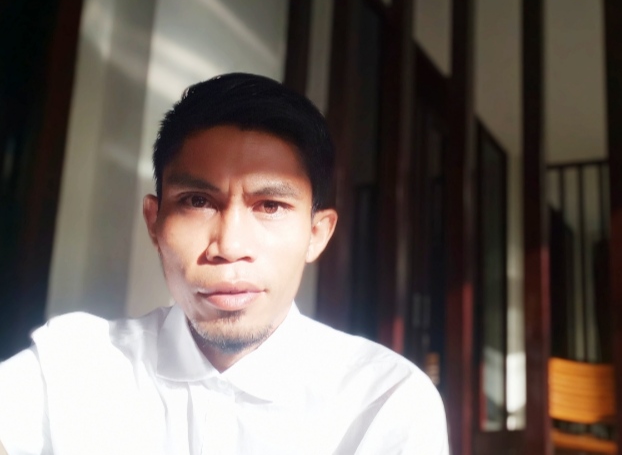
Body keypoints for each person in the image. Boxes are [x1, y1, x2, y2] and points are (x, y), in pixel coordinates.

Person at [0, 73, 448, 454]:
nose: (229, 246)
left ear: (317, 234)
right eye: (197, 201)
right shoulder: (71, 372)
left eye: (270, 206)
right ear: (154, 222)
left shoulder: (383, 400)